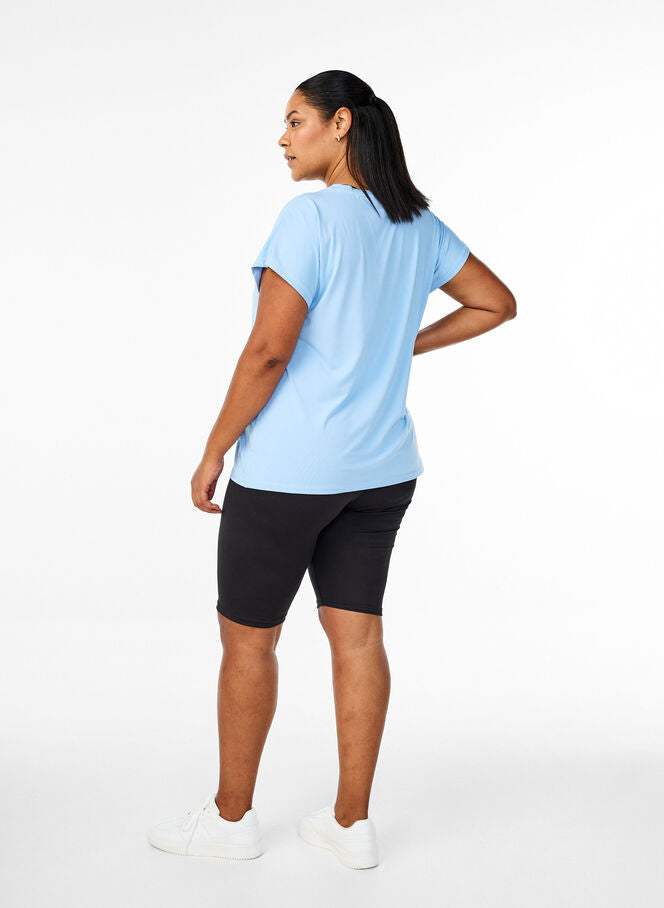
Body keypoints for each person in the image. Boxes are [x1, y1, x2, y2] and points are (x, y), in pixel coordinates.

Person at [147, 69, 517, 869]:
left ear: (340, 123)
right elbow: (495, 302)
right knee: (358, 638)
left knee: (249, 642)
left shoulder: (309, 218)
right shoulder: (416, 224)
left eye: (295, 121)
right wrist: (400, 345)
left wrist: (214, 448)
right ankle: (352, 824)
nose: (283, 139)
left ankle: (232, 820)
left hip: (288, 474)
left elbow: (268, 350)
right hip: (381, 471)